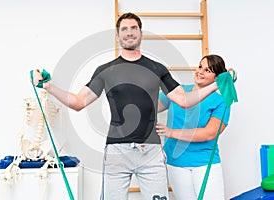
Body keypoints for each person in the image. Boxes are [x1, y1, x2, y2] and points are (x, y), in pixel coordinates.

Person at [32, 13, 220, 200]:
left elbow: (185, 100)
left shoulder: (157, 68)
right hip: (117, 152)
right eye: (124, 29)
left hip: (151, 151)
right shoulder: (105, 70)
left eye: (133, 28)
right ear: (117, 36)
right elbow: (78, 102)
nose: (129, 32)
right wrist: (48, 86)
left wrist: (217, 85)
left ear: (141, 33)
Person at [156, 54, 231, 200]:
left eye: (208, 70)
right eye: (200, 66)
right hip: (175, 163)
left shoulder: (221, 101)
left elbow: (209, 133)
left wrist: (172, 132)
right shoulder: (178, 92)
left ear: (217, 77)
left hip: (204, 162)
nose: (200, 71)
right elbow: (149, 107)